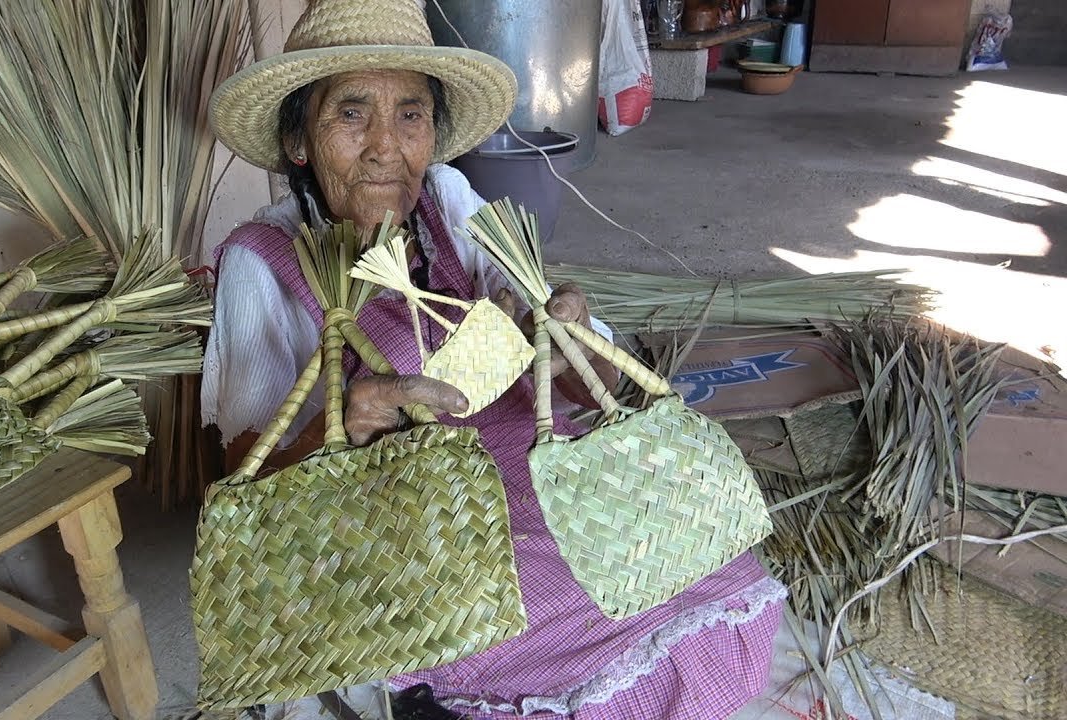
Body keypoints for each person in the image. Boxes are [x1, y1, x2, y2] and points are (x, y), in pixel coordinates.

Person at [201, 0, 786, 717]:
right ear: (298, 140)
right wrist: (343, 431)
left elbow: (587, 383)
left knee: (701, 576)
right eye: (351, 115)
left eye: (411, 115)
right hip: (407, 523)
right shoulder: (260, 259)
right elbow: (240, 477)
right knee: (548, 639)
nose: (387, 146)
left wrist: (567, 333)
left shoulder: (446, 201)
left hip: (541, 468)